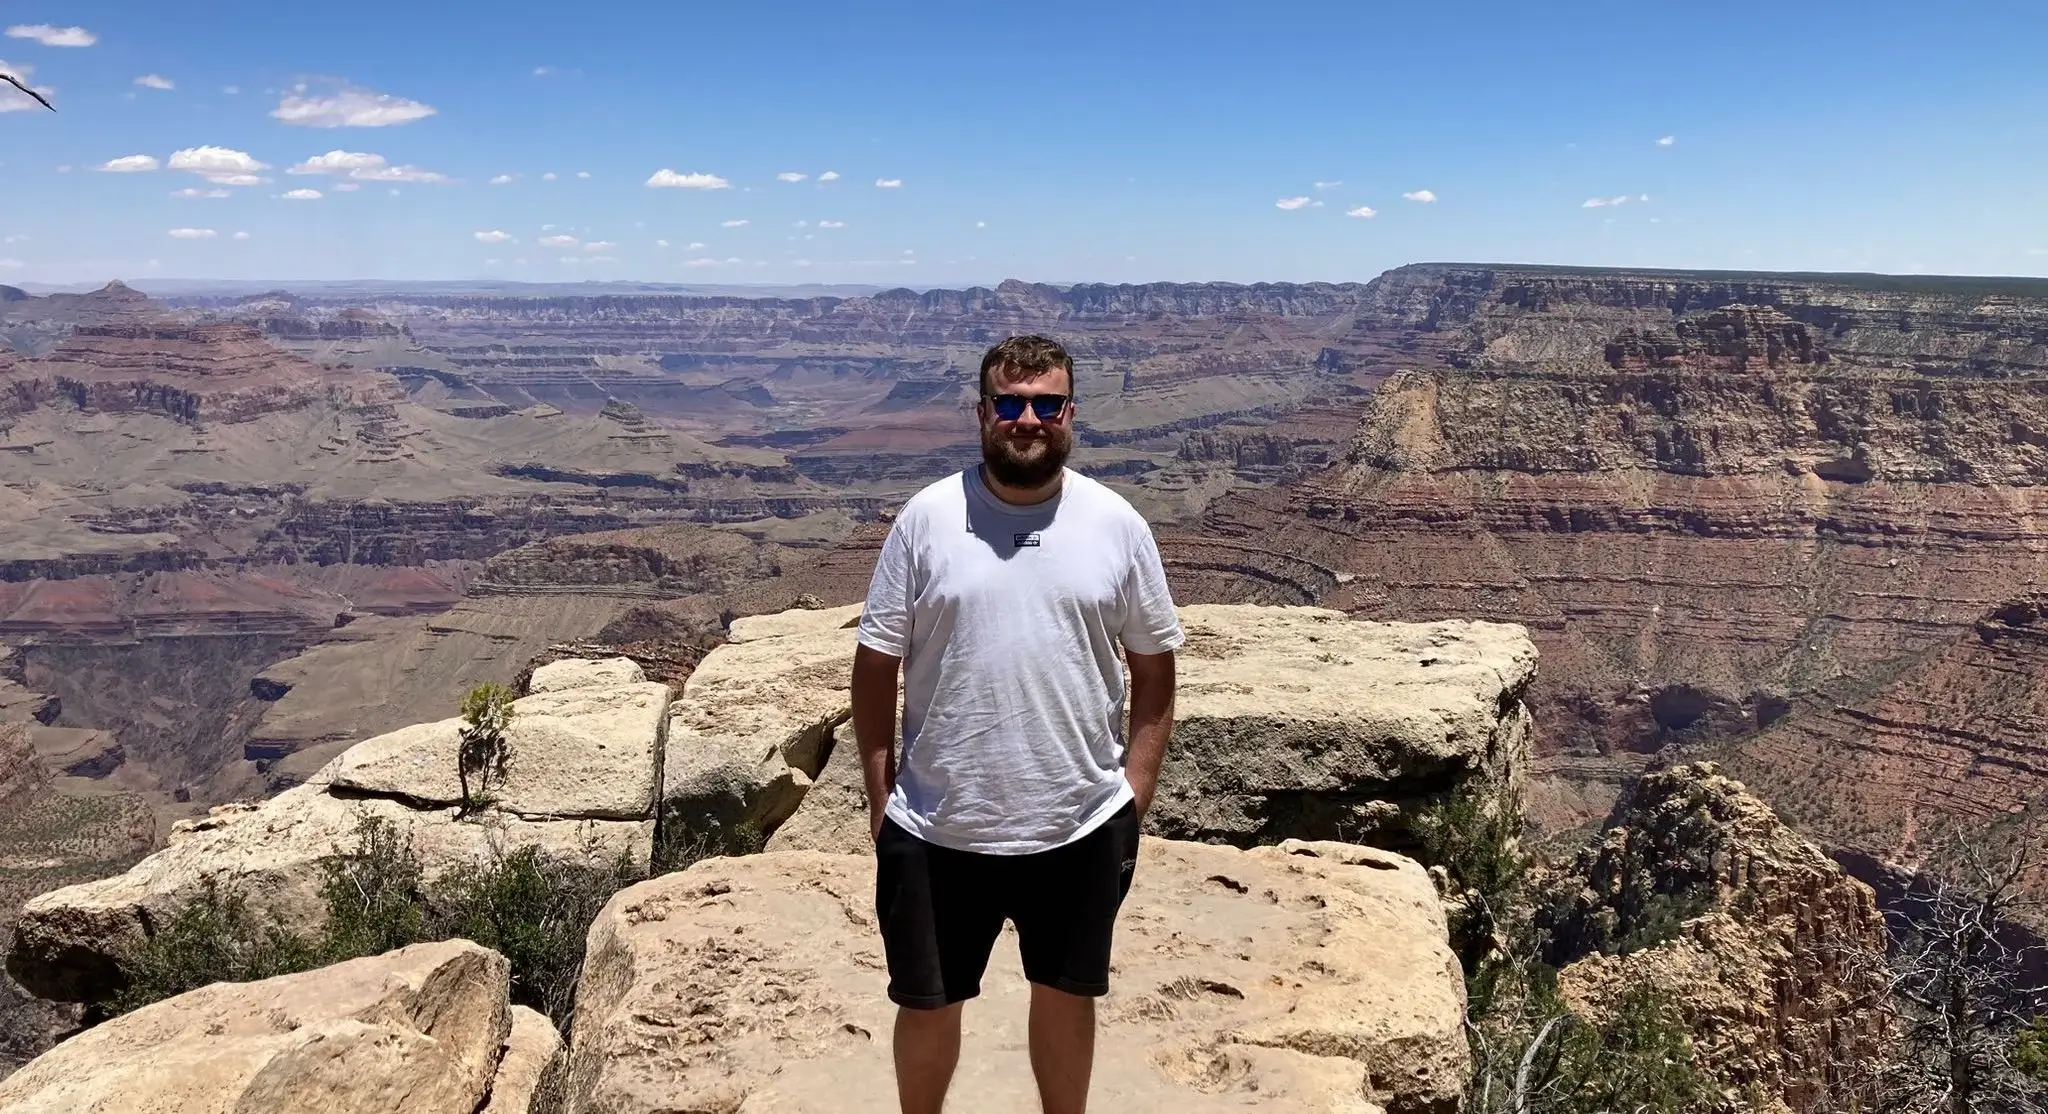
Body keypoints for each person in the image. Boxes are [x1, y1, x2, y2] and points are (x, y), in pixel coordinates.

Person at [851, 333, 1183, 1114]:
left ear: (1071, 414)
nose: (1026, 419)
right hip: (937, 824)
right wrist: (879, 797)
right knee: (927, 1002)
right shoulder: (928, 518)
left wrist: (1133, 793)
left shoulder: (1117, 523)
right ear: (981, 413)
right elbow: (874, 667)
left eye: (1045, 404)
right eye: (1009, 403)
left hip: (1078, 821)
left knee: (1067, 996)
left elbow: (1156, 670)